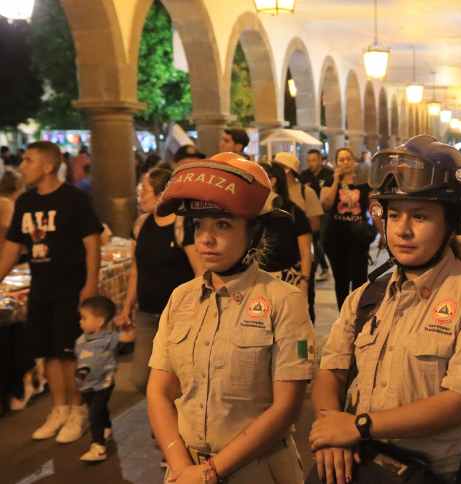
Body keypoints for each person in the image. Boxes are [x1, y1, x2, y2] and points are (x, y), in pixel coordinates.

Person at [310, 135, 461, 484]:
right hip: (362, 469)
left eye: (420, 216)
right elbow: (332, 370)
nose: (402, 230)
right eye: (394, 215)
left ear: (450, 224)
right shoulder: (366, 298)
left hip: (435, 476)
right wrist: (332, 429)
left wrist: (358, 426)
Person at [147, 152, 315, 484]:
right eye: (199, 226)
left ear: (255, 232)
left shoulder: (285, 301)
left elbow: (286, 409)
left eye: (222, 225)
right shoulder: (181, 299)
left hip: (258, 471)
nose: (205, 239)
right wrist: (181, 466)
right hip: (183, 472)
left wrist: (210, 472)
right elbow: (159, 391)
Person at [0, 141, 102, 443]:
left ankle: (77, 410)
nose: (22, 166)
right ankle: (59, 409)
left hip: (70, 288)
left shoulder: (75, 199)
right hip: (40, 288)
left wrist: (91, 284)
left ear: (47, 166)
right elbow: (12, 247)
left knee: (70, 353)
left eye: (28, 160)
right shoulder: (25, 202)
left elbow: (92, 242)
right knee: (49, 354)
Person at [115, 168, 204, 395]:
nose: (139, 196)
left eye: (144, 190)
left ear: (163, 192)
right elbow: (136, 269)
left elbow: (200, 272)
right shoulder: (141, 224)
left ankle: (172, 426)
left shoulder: (183, 225)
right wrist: (127, 307)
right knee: (141, 379)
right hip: (146, 314)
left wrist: (194, 309)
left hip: (177, 315)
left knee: (177, 378)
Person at [319, 147, 375, 310]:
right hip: (336, 238)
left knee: (360, 281)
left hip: (358, 239)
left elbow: (373, 209)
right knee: (341, 281)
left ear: (354, 162)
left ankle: (358, 315)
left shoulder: (363, 184)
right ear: (336, 163)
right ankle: (343, 317)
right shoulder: (330, 182)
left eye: (348, 159)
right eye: (341, 159)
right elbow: (326, 204)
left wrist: (383, 234)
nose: (345, 162)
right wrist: (336, 180)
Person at [274, 152, 325, 321]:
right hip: (277, 261)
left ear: (287, 170)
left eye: (277, 167)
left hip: (301, 255)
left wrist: (295, 227)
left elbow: (316, 225)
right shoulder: (271, 194)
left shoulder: (305, 192)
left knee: (305, 301)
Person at [75, 296, 119, 463]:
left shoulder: (110, 338)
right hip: (87, 385)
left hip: (104, 384)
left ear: (100, 321)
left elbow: (125, 339)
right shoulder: (81, 340)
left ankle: (98, 446)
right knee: (99, 409)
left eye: (84, 318)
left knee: (94, 413)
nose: (80, 322)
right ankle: (106, 427)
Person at [259, 161, 313, 295]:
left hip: (287, 279)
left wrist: (304, 281)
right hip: (257, 280)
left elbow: (305, 251)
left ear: (272, 181)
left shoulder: (294, 211)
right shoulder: (250, 211)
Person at [299, 149, 333, 282]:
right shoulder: (304, 175)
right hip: (310, 214)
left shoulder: (328, 174)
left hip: (325, 214)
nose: (311, 163)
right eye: (309, 161)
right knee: (315, 240)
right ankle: (321, 268)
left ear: (320, 160)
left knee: (321, 241)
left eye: (313, 160)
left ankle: (316, 269)